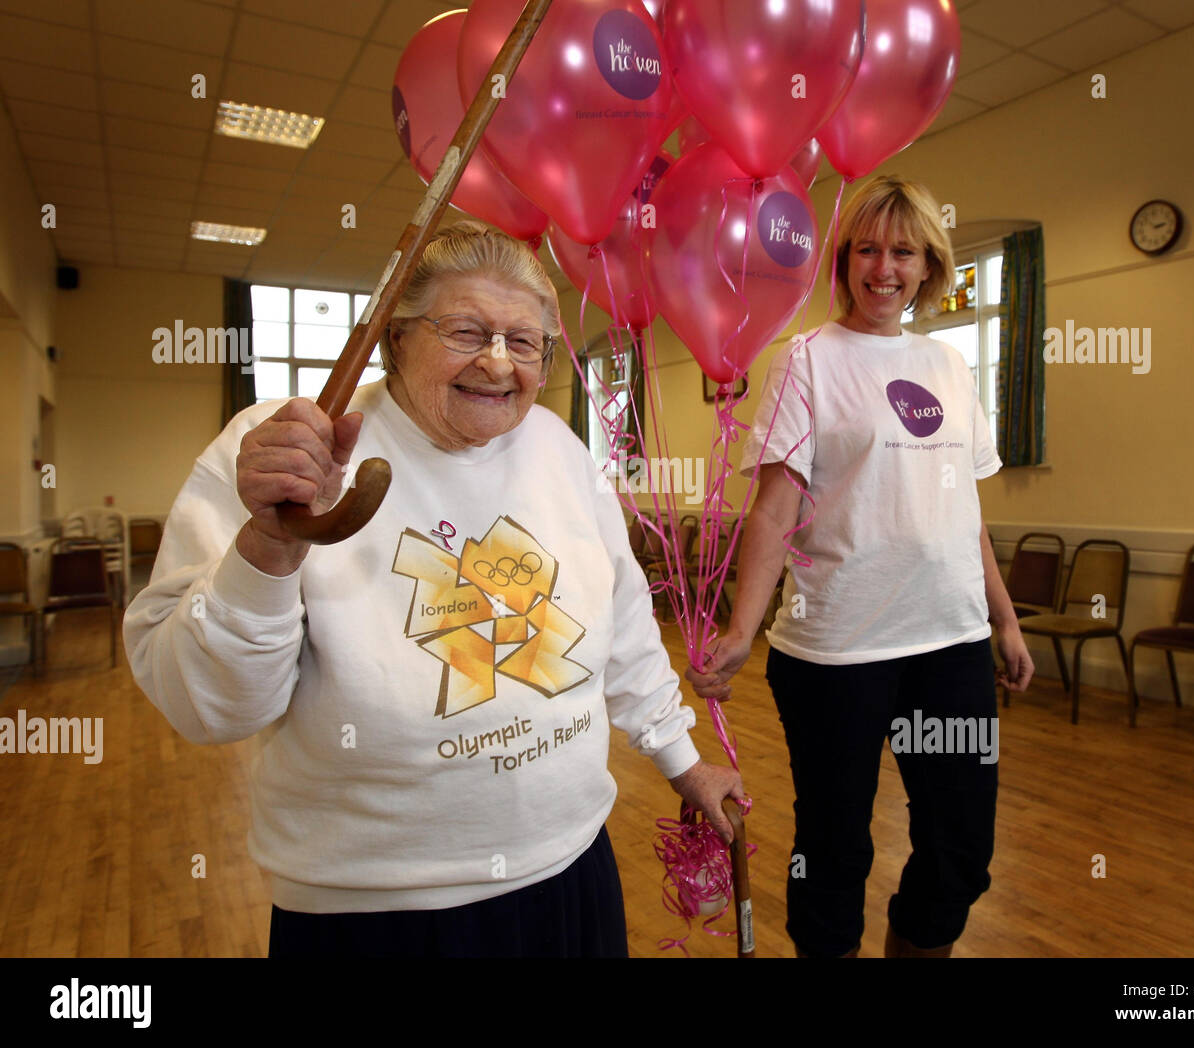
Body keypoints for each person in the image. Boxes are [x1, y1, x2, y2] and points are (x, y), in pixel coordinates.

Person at [125, 221, 742, 958]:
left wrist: (683, 759)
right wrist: (267, 546)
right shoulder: (283, 452)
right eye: (466, 330)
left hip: (570, 869)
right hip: (375, 910)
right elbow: (207, 707)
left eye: (525, 342)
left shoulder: (558, 447)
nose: (498, 362)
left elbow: (626, 623)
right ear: (395, 338)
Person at [686, 175, 1033, 959]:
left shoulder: (948, 363)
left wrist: (1004, 619)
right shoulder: (806, 360)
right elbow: (774, 508)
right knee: (834, 850)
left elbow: (962, 514)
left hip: (949, 646)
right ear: (844, 261)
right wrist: (744, 628)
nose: (886, 267)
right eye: (869, 249)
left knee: (959, 848)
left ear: (928, 266)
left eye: (904, 251)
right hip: (837, 654)